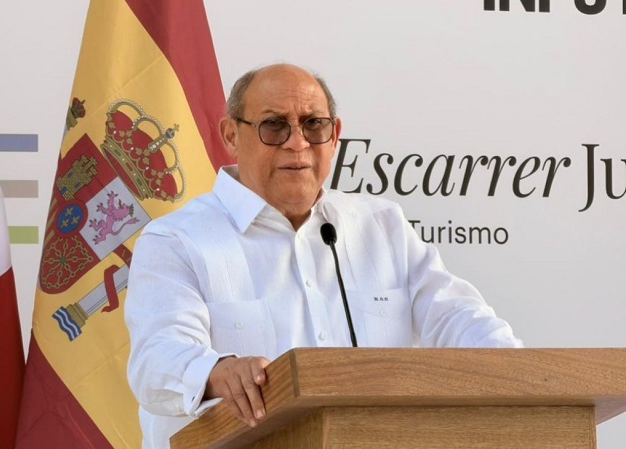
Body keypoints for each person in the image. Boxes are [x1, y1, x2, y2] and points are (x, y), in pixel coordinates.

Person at [124, 63, 522, 449]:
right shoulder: (176, 240)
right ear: (231, 136)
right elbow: (156, 360)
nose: (297, 143)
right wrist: (217, 371)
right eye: (274, 125)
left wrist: (524, 374)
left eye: (313, 125)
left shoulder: (381, 224)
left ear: (335, 137)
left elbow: (456, 316)